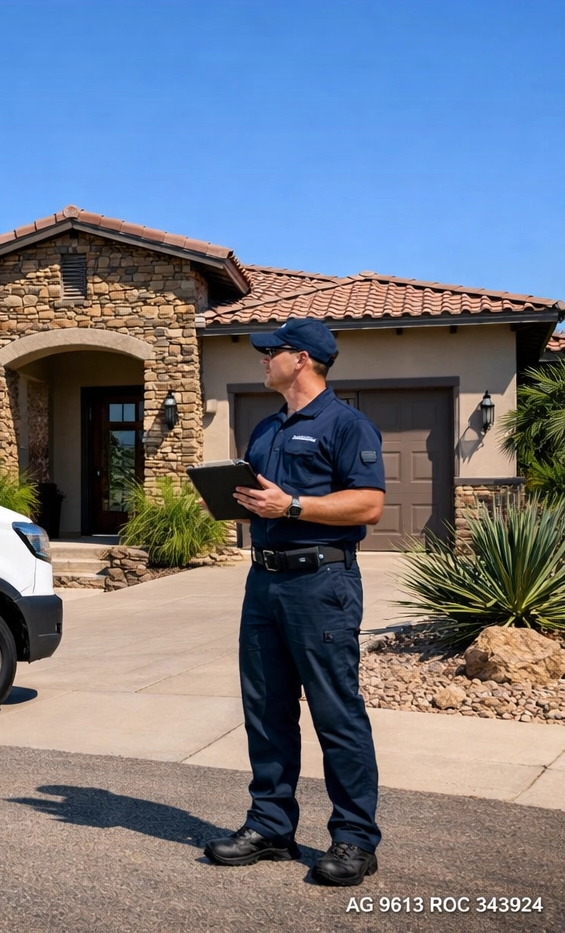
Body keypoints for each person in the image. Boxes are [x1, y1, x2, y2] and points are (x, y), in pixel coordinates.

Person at [203, 317, 385, 887]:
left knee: (336, 711)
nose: (263, 360)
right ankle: (271, 827)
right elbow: (268, 500)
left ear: (301, 359)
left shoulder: (347, 425)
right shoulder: (265, 429)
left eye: (271, 352)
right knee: (266, 709)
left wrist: (293, 508)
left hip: (321, 584)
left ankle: (355, 839)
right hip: (264, 582)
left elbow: (368, 506)